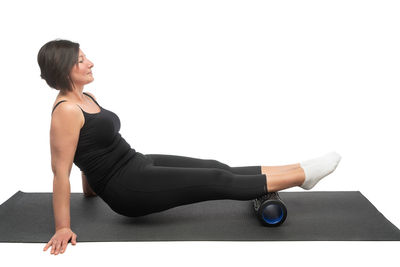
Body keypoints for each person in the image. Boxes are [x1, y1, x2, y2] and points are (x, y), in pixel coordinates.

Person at [38, 39, 341, 255]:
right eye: (80, 60)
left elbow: (87, 150)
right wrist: (63, 227)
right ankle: (303, 176)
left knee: (215, 167)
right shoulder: (65, 110)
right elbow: (60, 171)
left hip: (136, 163)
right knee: (216, 181)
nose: (89, 62)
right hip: (128, 189)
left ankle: (299, 167)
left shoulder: (85, 97)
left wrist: (90, 189)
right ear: (64, 69)